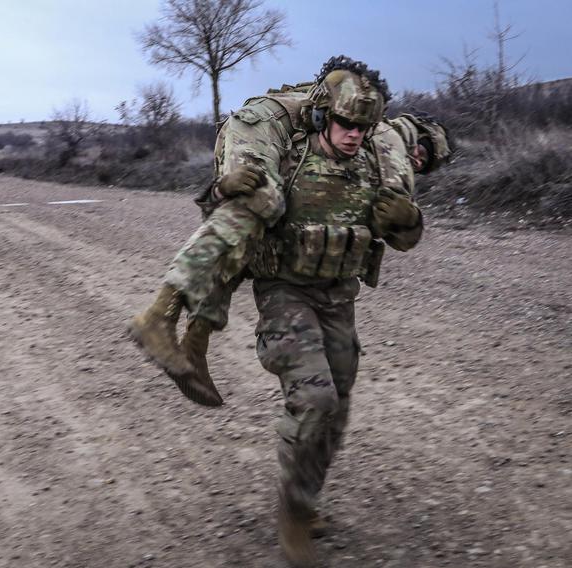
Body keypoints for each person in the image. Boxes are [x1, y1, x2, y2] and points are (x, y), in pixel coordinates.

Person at [128, 56, 452, 566]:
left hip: (339, 298)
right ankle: (292, 520)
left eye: (363, 127)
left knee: (337, 413)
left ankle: (304, 499)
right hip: (284, 293)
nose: (353, 135)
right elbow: (228, 206)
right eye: (345, 124)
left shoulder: (376, 160)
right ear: (324, 116)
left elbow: (405, 238)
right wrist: (220, 186)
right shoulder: (290, 154)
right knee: (315, 399)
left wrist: (408, 219)